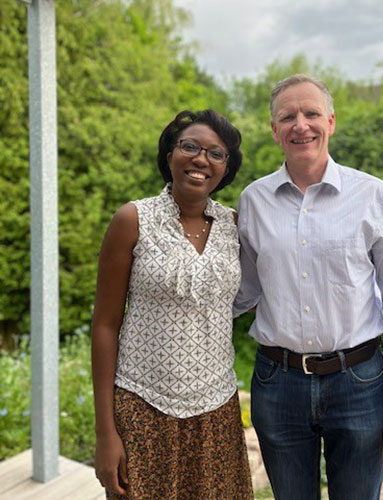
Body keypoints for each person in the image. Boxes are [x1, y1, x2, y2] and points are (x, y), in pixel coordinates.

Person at [234, 74, 383, 500]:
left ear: (331, 122)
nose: (300, 124)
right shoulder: (253, 201)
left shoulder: (374, 195)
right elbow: (241, 293)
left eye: (311, 113)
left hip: (358, 382)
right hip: (277, 384)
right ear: (275, 130)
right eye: (288, 116)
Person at [92, 109, 253, 500]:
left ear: (225, 169)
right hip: (142, 408)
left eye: (217, 154)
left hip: (216, 410)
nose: (201, 160)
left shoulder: (235, 225)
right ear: (169, 155)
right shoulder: (133, 219)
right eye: (190, 147)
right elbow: (105, 325)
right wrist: (105, 433)